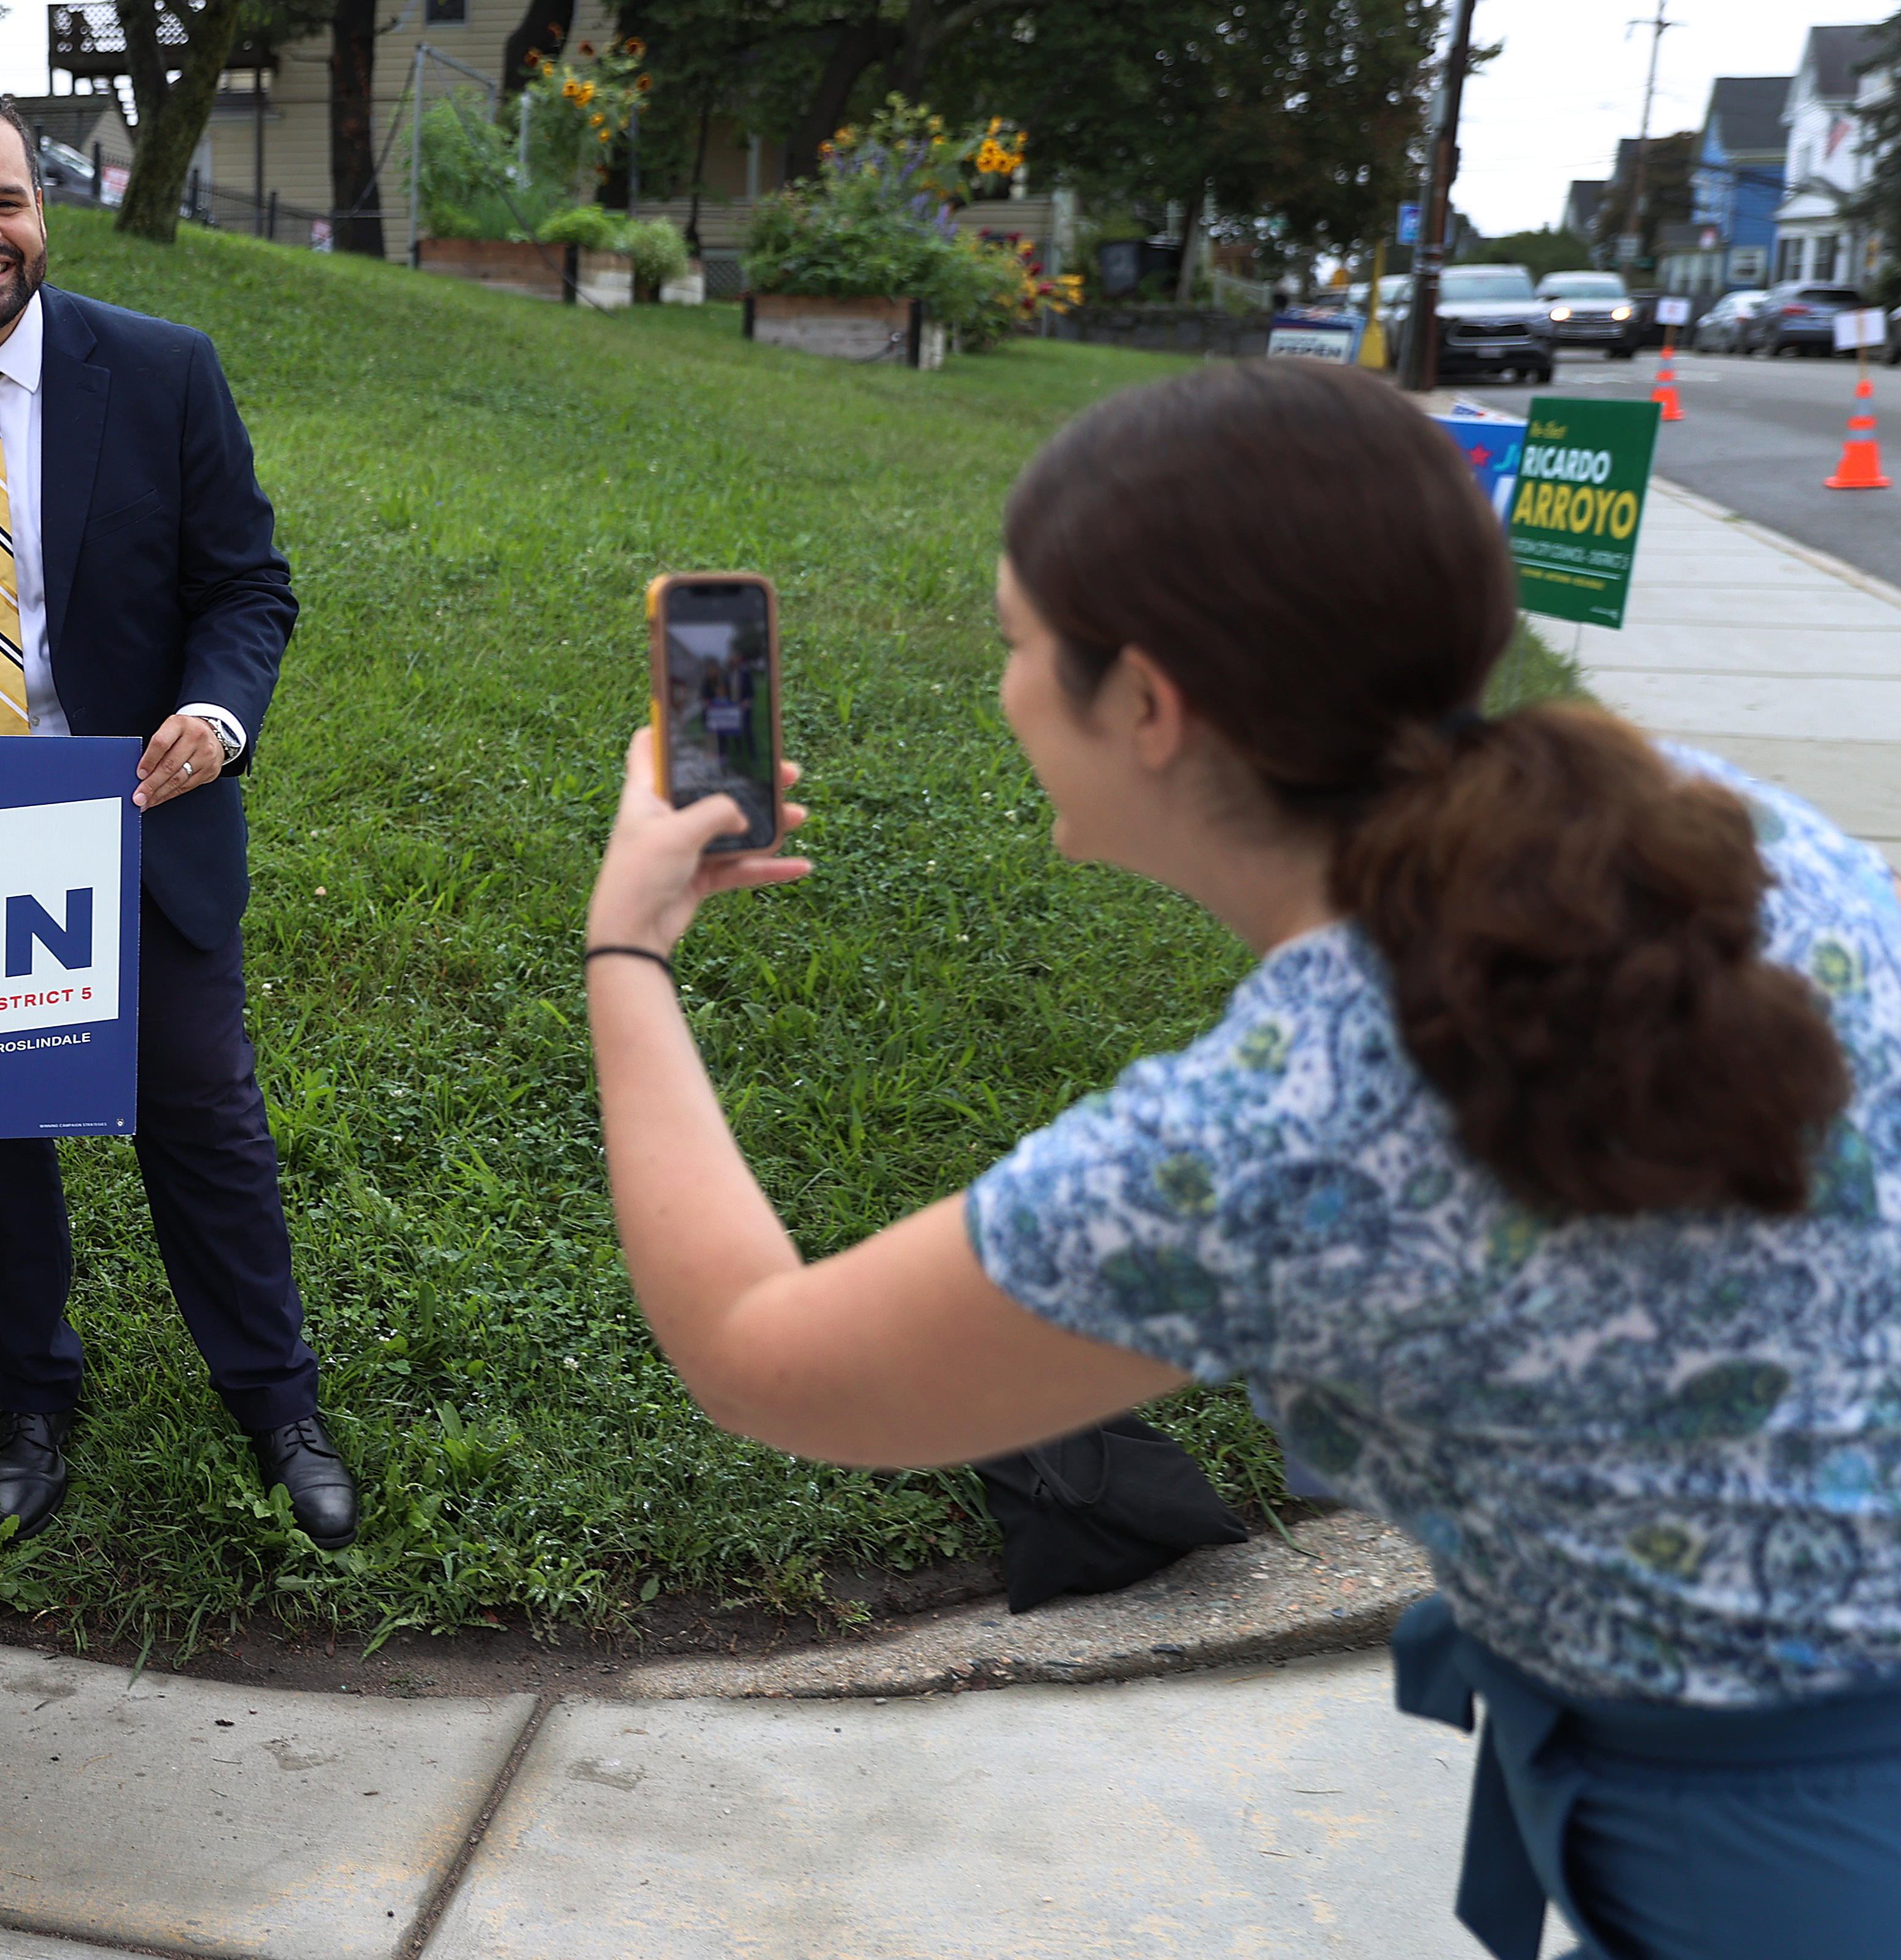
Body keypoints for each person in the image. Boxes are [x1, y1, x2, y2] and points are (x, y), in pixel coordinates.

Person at [584, 358, 1901, 1960]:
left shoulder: (1269, 1147)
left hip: (1774, 1869)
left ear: (1147, 704)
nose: (1000, 685)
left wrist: (627, 946)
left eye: (1014, 644)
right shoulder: (1734, 830)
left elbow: (758, 1354)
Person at [0, 84, 358, 1550]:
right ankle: (34, 1394)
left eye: (6, 200)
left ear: (45, 208)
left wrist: (219, 716)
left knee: (205, 1117)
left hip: (140, 818)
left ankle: (278, 1400)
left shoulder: (160, 372)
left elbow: (246, 586)